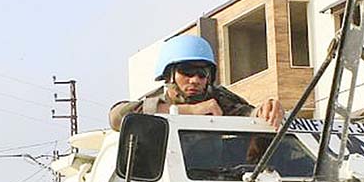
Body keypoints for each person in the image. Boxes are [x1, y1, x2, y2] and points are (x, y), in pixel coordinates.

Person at [109, 35, 284, 131]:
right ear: (170, 76)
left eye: (202, 74)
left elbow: (247, 114)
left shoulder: (218, 98)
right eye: (186, 72)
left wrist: (267, 110)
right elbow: (117, 117)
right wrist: (189, 111)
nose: (195, 80)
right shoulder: (157, 102)